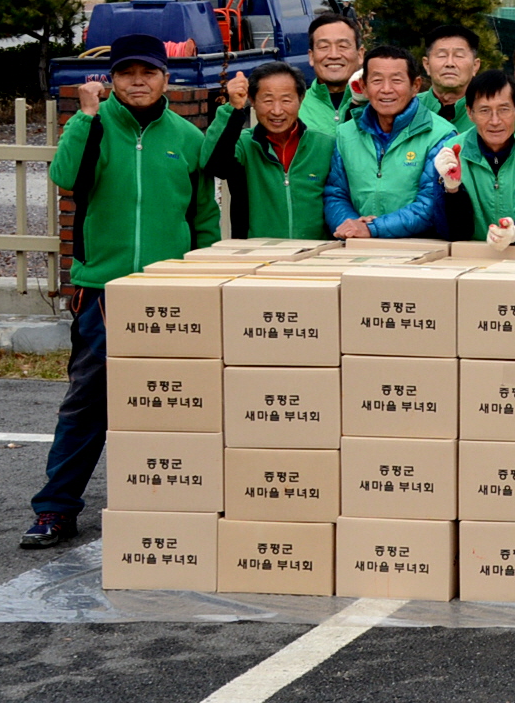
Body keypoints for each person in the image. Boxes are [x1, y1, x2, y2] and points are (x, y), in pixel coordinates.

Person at [22, 34, 222, 550]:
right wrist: (86, 116)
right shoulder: (93, 125)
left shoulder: (187, 136)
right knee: (87, 404)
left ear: (165, 78)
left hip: (169, 290)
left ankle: (171, 500)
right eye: (127, 73)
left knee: (173, 402)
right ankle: (55, 508)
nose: (138, 81)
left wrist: (202, 278)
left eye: (148, 72)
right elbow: (64, 176)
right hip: (103, 290)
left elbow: (203, 215)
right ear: (110, 79)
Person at [324, 46, 454, 239]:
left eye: (396, 80)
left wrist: (372, 228)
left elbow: (431, 203)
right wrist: (352, 226)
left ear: (415, 86)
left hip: (420, 248)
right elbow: (335, 194)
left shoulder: (440, 134)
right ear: (364, 87)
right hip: (357, 246)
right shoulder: (346, 133)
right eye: (377, 80)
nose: (386, 89)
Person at [434, 71, 515, 246]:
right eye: (484, 111)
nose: (495, 121)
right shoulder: (450, 152)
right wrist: (451, 189)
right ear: (470, 113)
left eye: (504, 110)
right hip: (470, 255)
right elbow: (451, 232)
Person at [205, 62, 333, 239]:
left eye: (286, 100)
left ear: (301, 99)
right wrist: (232, 108)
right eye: (268, 101)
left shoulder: (325, 145)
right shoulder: (243, 144)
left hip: (314, 253)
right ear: (252, 101)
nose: (277, 111)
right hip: (255, 253)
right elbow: (213, 165)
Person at [298, 12, 363, 134]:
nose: (334, 55)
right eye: (324, 46)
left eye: (343, 46)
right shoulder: (294, 108)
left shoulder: (379, 104)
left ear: (360, 54)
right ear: (311, 56)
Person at [416, 24, 481, 126]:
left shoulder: (490, 113)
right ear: (427, 65)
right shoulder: (408, 108)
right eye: (442, 55)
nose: (450, 63)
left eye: (459, 56)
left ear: (475, 66)